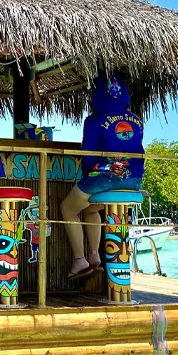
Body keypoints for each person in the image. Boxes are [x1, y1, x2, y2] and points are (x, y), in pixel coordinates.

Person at [60, 74, 145, 278]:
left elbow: (88, 153)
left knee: (68, 208)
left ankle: (80, 259)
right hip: (134, 180)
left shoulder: (94, 120)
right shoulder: (136, 120)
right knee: (90, 210)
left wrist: (87, 175)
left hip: (107, 176)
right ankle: (95, 255)